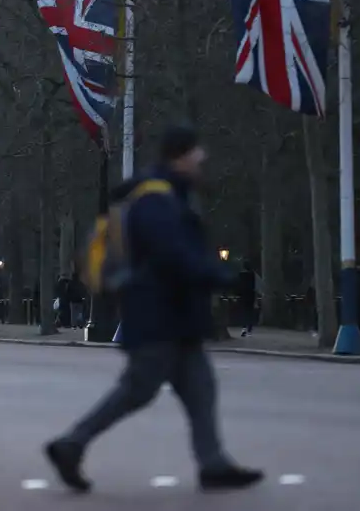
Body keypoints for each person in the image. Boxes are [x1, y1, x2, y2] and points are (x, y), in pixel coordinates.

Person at [44, 124, 263, 493]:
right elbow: (172, 254)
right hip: (158, 314)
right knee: (138, 389)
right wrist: (216, 274)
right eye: (196, 153)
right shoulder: (156, 200)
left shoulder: (165, 196)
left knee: (200, 387)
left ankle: (213, 463)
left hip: (174, 317)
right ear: (180, 156)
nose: (202, 159)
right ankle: (71, 444)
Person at [237, 262, 256, 337]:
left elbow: (238, 285)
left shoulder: (241, 275)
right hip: (250, 295)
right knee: (250, 313)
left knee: (244, 312)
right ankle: (250, 330)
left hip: (243, 295)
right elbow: (253, 286)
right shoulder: (252, 274)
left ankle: (243, 328)